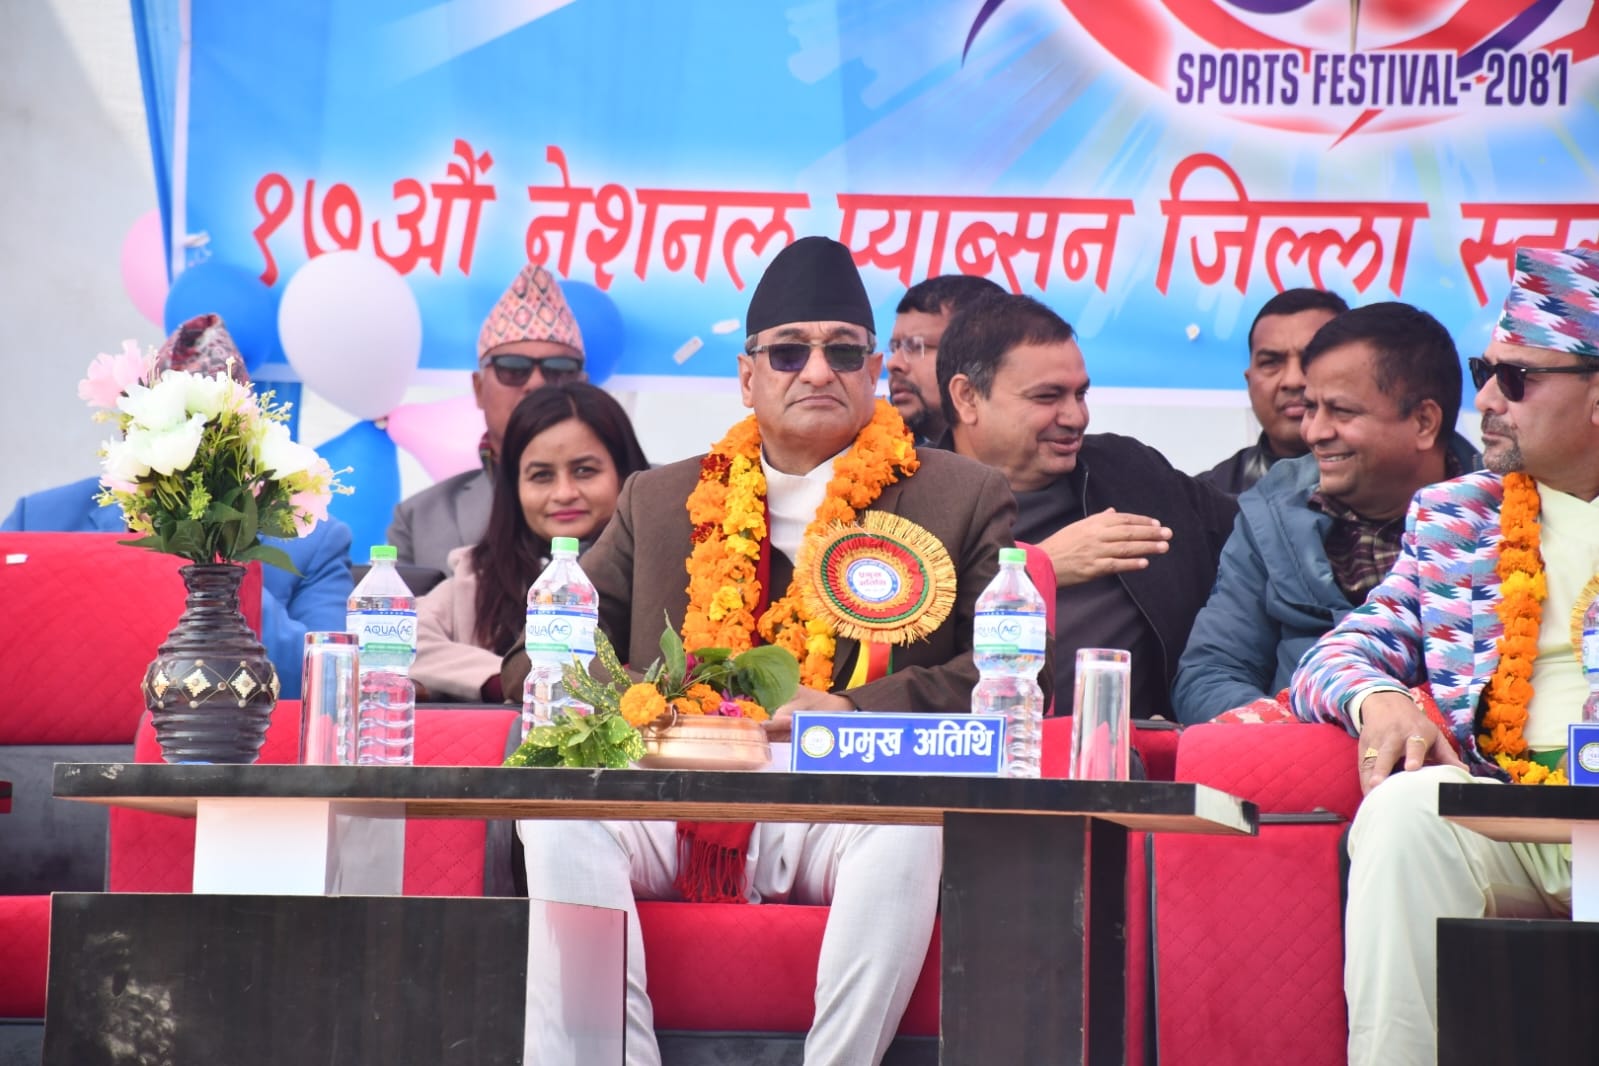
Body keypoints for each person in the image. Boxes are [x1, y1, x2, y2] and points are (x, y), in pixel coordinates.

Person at [517, 236, 1025, 1066]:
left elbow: (1006, 670)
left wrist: (852, 707)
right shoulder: (660, 498)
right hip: (673, 796)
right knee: (558, 819)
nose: (816, 371)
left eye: (843, 351)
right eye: (789, 352)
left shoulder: (958, 495)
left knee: (906, 825)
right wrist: (651, 702)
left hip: (840, 803)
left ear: (874, 372)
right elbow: (544, 650)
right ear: (747, 376)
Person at [1290, 246, 1599, 1066]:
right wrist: (1379, 700)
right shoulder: (1459, 518)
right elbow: (1339, 652)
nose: (1486, 400)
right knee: (1405, 813)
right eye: (1483, 371)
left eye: (1516, 378)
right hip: (1514, 815)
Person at [2, 314, 353, 700]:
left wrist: (214, 560)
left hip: (227, 731)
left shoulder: (312, 540)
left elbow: (328, 682)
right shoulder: (38, 519)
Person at [1173, 302, 1482, 724]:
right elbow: (1208, 677)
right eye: (1311, 408)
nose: (1314, 432)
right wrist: (1318, 739)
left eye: (1342, 411)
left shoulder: (1504, 519)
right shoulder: (1270, 514)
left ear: (1424, 422)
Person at [937, 290, 1236, 719]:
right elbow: (905, 664)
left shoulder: (1131, 472)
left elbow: (1255, 532)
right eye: (1047, 397)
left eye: (1080, 394)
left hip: (1130, 752)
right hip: (969, 750)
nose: (1075, 417)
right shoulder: (910, 502)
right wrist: (1039, 570)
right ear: (967, 397)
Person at [412, 383, 648, 702]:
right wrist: (508, 679)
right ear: (514, 488)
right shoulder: (478, 578)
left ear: (625, 475)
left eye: (584, 471)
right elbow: (401, 639)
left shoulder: (662, 577)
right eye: (541, 476)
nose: (564, 493)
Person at [387, 262, 586, 573]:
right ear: (478, 389)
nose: (536, 383)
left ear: (583, 386)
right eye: (513, 368)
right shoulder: (419, 519)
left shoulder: (642, 500)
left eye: (558, 370)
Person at [1199, 288, 1349, 494]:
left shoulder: (1390, 492)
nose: (1293, 380)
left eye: (1311, 358)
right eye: (1271, 362)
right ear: (1249, 381)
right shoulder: (1209, 496)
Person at [886, 273, 1005, 445]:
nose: (892, 364)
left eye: (915, 346)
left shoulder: (1035, 456)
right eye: (894, 348)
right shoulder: (873, 455)